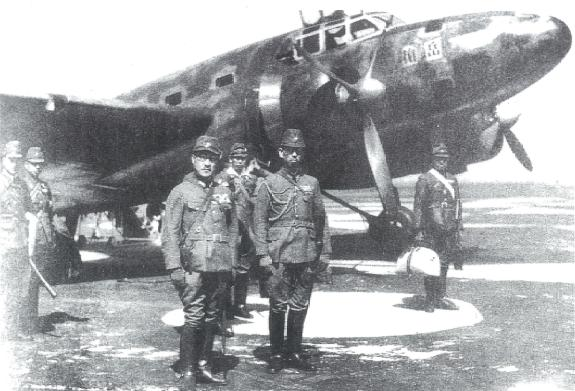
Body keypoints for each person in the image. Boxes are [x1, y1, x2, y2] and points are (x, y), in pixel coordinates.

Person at [162, 135, 235, 390]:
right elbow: (170, 233)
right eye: (202, 157)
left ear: (217, 162)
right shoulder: (180, 193)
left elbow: (232, 229)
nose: (206, 163)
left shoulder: (224, 191)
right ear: (193, 159)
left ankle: (204, 365)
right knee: (194, 316)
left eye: (212, 158)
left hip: (219, 265)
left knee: (212, 316)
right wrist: (173, 267)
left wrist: (231, 264)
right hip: (192, 267)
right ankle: (189, 369)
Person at [254, 128, 329, 374]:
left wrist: (325, 252)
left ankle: (294, 352)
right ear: (281, 153)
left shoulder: (312, 183)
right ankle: (276, 354)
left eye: (298, 151)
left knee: (300, 304)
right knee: (278, 304)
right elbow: (259, 222)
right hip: (279, 255)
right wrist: (263, 254)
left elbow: (321, 219)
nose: (294, 155)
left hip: (306, 253)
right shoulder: (268, 183)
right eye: (289, 151)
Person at [217, 142, 270, 320]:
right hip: (230, 228)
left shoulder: (250, 178)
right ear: (230, 159)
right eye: (236, 158)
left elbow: (256, 199)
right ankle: (224, 307)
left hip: (247, 228)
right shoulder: (223, 177)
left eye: (242, 158)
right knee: (227, 267)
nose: (240, 161)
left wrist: (258, 172)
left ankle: (240, 304)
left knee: (244, 267)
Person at [413, 143, 463, 313]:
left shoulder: (452, 179)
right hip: (431, 230)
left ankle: (440, 297)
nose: (442, 162)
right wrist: (418, 230)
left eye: (445, 160)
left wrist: (458, 225)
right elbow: (419, 206)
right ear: (433, 160)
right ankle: (430, 299)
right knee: (431, 264)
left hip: (448, 228)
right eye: (439, 159)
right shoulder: (425, 179)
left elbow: (457, 204)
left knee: (444, 264)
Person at [0, 141, 37, 339]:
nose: (14, 163)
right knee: (3, 288)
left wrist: (30, 243)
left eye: (18, 160)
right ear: (3, 159)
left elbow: (30, 213)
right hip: (2, 245)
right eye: (11, 159)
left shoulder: (22, 185)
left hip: (19, 244)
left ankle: (12, 329)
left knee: (19, 289)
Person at [21, 147, 57, 333]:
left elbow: (49, 214)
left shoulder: (44, 186)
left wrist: (52, 238)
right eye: (34, 164)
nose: (37, 168)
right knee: (27, 282)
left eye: (40, 165)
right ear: (26, 164)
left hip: (43, 240)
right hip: (29, 240)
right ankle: (26, 322)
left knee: (35, 281)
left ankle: (32, 320)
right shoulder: (21, 185)